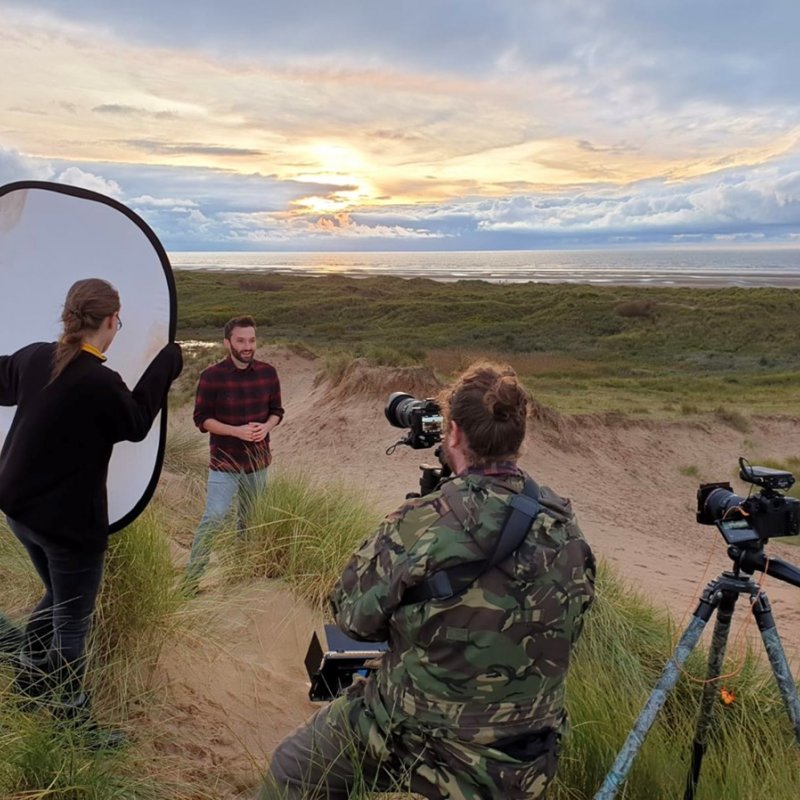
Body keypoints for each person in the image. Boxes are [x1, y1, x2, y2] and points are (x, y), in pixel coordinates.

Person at [260, 362, 596, 800]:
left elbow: (353, 619)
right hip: (527, 755)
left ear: (453, 434)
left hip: (422, 739)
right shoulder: (566, 527)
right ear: (520, 440)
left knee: (290, 770)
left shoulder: (423, 522)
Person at [0, 277, 182, 729]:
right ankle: (71, 719)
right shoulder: (99, 382)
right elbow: (137, 420)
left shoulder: (35, 357)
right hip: (68, 530)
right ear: (110, 320)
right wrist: (168, 361)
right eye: (119, 320)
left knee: (60, 597)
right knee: (72, 624)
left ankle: (27, 679)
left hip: (18, 510)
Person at [185, 315, 283, 587]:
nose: (247, 346)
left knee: (250, 519)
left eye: (251, 340)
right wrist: (237, 431)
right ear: (228, 342)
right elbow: (201, 419)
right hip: (224, 462)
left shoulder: (268, 373)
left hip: (258, 462)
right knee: (214, 517)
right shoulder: (211, 376)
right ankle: (191, 580)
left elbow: (277, 411)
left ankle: (242, 573)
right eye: (241, 340)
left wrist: (266, 427)